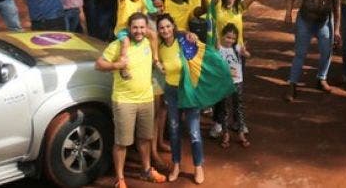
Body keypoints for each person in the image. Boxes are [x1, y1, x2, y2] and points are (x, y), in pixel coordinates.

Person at [95, 13, 165, 186]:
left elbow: (157, 36)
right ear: (129, 28)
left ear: (146, 28)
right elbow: (99, 64)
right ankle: (120, 179)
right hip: (124, 100)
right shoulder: (117, 45)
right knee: (122, 142)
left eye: (142, 27)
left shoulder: (149, 43)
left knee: (144, 138)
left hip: (146, 99)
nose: (139, 31)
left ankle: (147, 170)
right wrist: (116, 65)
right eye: (135, 27)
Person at [153, 15, 204, 184]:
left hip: (188, 91)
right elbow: (156, 62)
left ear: (173, 26)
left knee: (194, 131)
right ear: (158, 30)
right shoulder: (159, 47)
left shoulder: (183, 40)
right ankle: (176, 165)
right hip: (171, 92)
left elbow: (198, 56)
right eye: (161, 28)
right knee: (174, 131)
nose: (165, 30)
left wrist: (192, 35)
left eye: (168, 26)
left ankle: (198, 166)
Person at [284, 0, 341, 102]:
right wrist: (288, 13)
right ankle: (292, 83)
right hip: (305, 22)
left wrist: (337, 30)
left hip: (323, 24)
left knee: (327, 52)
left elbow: (337, 11)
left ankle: (322, 78)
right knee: (300, 54)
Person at [215, 23, 249, 148]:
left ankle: (241, 132)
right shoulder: (219, 49)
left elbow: (247, 55)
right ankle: (225, 133)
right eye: (228, 37)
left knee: (238, 107)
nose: (230, 40)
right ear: (223, 36)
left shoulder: (237, 48)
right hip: (224, 84)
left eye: (233, 38)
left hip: (237, 82)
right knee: (224, 109)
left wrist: (245, 52)